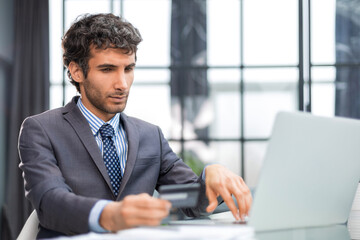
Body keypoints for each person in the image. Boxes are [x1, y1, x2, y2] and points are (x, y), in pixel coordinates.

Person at [18, 13, 252, 238]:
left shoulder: (150, 135)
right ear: (76, 71)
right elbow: (50, 202)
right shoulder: (41, 129)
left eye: (128, 69)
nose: (122, 84)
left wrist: (210, 177)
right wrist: (110, 215)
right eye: (107, 69)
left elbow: (189, 202)